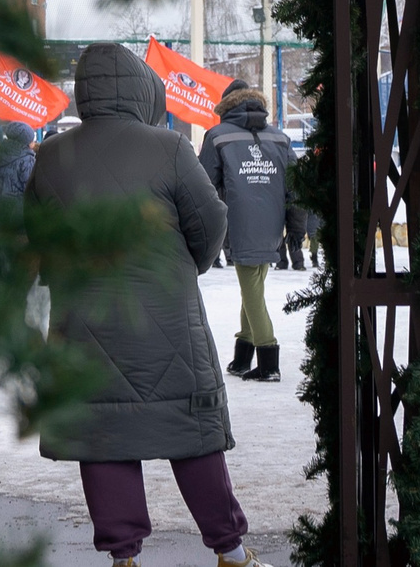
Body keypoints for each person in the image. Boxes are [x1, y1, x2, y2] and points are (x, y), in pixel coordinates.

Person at [29, 43, 258, 567]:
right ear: (140, 91)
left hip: (84, 324)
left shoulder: (52, 156)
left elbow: (40, 238)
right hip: (168, 321)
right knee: (191, 431)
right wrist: (186, 265)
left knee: (103, 436)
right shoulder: (170, 148)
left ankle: (123, 558)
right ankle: (231, 551)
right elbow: (211, 224)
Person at [202, 82, 298, 383]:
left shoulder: (218, 136)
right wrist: (296, 227)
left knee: (252, 292)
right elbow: (296, 185)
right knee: (252, 288)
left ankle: (268, 359)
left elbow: (203, 185)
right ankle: (242, 357)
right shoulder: (280, 138)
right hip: (273, 226)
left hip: (239, 224)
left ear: (227, 106)